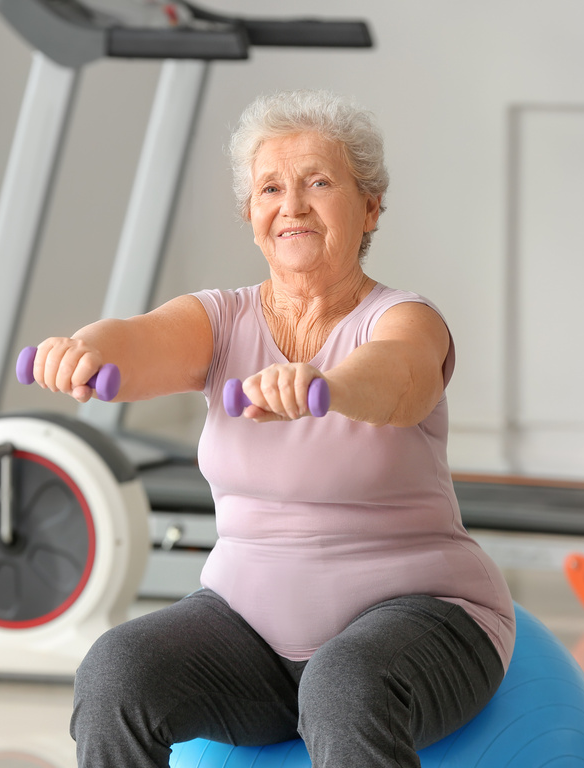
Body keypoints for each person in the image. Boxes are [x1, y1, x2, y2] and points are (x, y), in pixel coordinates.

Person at [32, 89, 515, 768]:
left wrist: (327, 386)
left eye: (318, 183)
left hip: (427, 619)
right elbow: (138, 341)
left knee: (342, 685)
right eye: (270, 188)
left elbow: (400, 377)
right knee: (117, 672)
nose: (292, 205)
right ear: (251, 214)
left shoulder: (403, 318)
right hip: (248, 640)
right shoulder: (222, 319)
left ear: (369, 207)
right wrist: (84, 350)